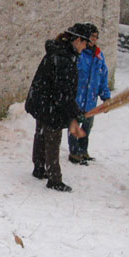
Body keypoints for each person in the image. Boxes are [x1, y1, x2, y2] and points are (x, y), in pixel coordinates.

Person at [25, 23, 89, 192]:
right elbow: (63, 95)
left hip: (41, 102)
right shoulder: (64, 59)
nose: (85, 47)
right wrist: (76, 113)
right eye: (84, 43)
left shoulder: (58, 51)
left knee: (41, 134)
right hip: (49, 105)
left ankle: (39, 167)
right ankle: (54, 179)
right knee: (52, 140)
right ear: (77, 40)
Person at [67, 23, 111, 165]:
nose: (94, 39)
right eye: (92, 36)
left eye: (96, 37)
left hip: (91, 101)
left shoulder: (99, 56)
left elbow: (102, 77)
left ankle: (83, 151)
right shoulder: (79, 54)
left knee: (87, 127)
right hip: (77, 99)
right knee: (74, 126)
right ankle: (74, 152)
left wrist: (105, 97)